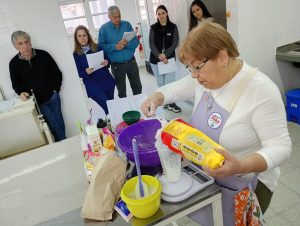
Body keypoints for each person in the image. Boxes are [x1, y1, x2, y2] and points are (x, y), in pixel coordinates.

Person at [142, 22, 291, 225]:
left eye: (197, 67)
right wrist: (156, 97)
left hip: (247, 181)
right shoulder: (204, 79)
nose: (193, 75)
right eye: (190, 68)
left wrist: (240, 165)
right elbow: (175, 89)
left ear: (222, 57)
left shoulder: (260, 90)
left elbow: (281, 146)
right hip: (211, 176)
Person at [9, 30, 66, 142]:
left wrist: (56, 90)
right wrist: (22, 92)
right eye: (20, 43)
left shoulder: (43, 54)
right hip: (37, 101)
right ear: (15, 46)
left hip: (53, 97)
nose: (25, 46)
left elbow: (57, 73)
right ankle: (65, 143)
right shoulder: (13, 63)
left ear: (30, 42)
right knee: (54, 124)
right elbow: (16, 85)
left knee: (59, 122)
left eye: (26, 42)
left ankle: (63, 144)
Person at [98, 5, 142, 98]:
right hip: (116, 66)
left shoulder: (127, 24)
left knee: (137, 87)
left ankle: (140, 108)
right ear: (109, 17)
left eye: (119, 16)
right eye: (115, 17)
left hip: (131, 62)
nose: (118, 19)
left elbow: (136, 42)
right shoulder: (103, 29)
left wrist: (127, 43)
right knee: (121, 91)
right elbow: (101, 47)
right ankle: (125, 111)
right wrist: (115, 47)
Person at [73, 25, 115, 115]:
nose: (82, 38)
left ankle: (113, 126)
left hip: (107, 81)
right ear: (76, 38)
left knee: (111, 107)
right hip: (93, 85)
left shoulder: (97, 47)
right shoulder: (76, 55)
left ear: (88, 36)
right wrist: (85, 72)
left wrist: (106, 62)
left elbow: (108, 60)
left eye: (84, 35)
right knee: (108, 107)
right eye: (79, 36)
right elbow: (78, 72)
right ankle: (112, 127)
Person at [149, 5, 181, 113]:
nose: (161, 15)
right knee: (161, 83)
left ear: (167, 13)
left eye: (163, 13)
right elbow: (151, 44)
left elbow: (175, 43)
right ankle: (166, 103)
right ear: (157, 16)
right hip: (155, 60)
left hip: (169, 60)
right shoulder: (153, 28)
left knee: (170, 83)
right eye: (159, 14)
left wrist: (165, 55)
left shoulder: (173, 27)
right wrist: (160, 56)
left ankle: (172, 103)